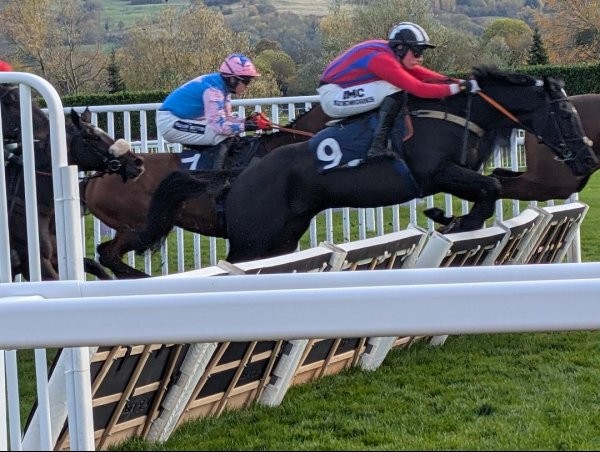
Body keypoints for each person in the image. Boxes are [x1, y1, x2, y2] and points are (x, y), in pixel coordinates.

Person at [318, 22, 480, 159]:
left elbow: (421, 74)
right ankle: (377, 147)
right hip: (333, 96)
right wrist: (457, 88)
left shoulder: (391, 51)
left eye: (421, 52)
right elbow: (419, 88)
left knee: (393, 87)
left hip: (341, 90)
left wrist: (458, 82)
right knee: (394, 87)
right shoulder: (382, 59)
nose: (420, 58)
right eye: (416, 52)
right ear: (401, 48)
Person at [156, 53, 272, 169]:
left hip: (178, 119)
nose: (247, 86)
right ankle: (217, 177)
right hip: (170, 122)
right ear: (233, 79)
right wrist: (248, 126)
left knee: (229, 136)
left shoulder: (222, 88)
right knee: (221, 136)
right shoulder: (213, 91)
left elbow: (227, 119)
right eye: (246, 81)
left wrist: (247, 121)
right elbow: (220, 127)